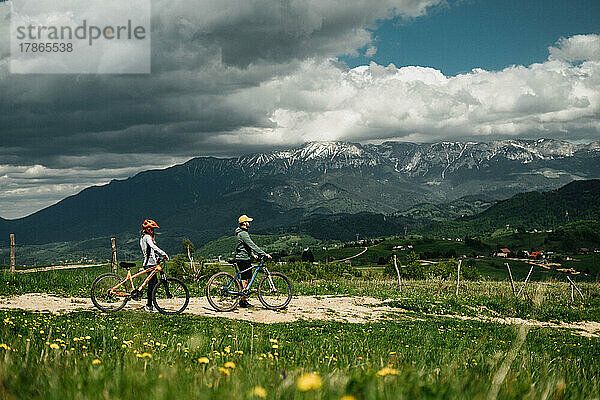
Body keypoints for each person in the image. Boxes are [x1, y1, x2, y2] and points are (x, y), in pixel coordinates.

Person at [235, 215, 272, 307]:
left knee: (246, 278)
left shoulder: (242, 233)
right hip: (243, 259)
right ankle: (243, 300)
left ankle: (243, 298)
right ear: (244, 223)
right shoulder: (243, 234)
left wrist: (253, 255)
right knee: (245, 279)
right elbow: (252, 245)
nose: (249, 223)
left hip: (244, 258)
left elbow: (246, 247)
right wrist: (264, 254)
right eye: (248, 222)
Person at [140, 219, 169, 312]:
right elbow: (153, 247)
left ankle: (149, 305)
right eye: (152, 229)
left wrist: (156, 257)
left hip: (149, 263)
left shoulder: (143, 237)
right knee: (153, 285)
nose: (153, 231)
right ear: (148, 229)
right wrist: (163, 253)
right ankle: (149, 306)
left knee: (152, 285)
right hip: (149, 264)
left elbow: (149, 251)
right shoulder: (147, 237)